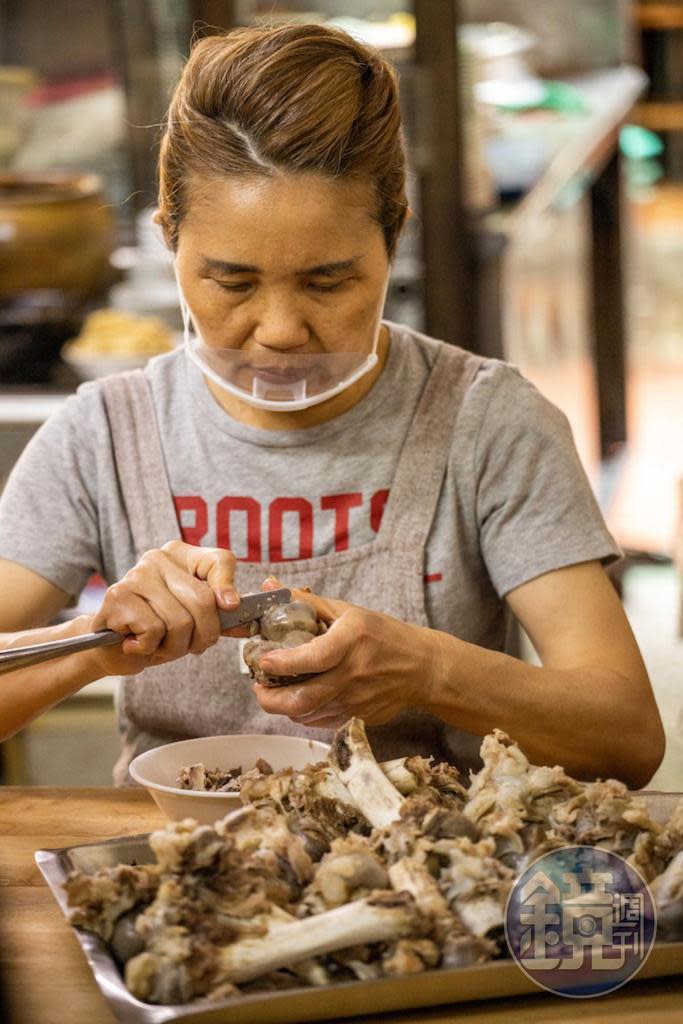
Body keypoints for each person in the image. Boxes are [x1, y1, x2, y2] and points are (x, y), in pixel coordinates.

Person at [0, 23, 664, 788]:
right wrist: (91, 643)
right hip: (173, 878)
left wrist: (427, 670)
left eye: (328, 282)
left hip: (426, 877)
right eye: (232, 282)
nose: (280, 332)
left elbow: (626, 736)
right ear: (167, 240)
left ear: (392, 240)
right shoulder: (104, 438)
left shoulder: (486, 424)